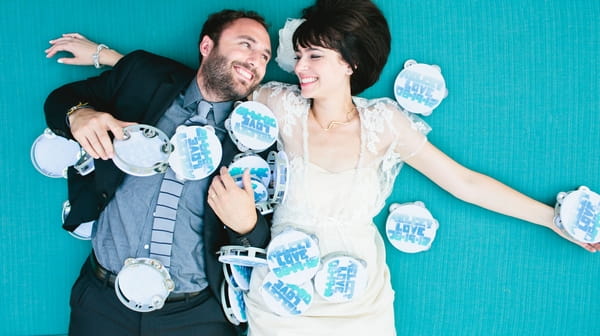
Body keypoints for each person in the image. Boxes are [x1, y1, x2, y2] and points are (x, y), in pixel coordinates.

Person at [45, 1, 599, 335]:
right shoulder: (272, 105)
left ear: (351, 65)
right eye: (298, 55)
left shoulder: (388, 125)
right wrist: (106, 57)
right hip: (279, 296)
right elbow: (207, 74)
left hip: (358, 297)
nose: (297, 67)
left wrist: (553, 219)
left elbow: (465, 183)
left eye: (315, 57)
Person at [44, 9, 272, 336]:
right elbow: (61, 100)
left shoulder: (256, 143)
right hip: (103, 302)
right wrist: (78, 115)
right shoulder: (145, 78)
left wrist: (247, 224)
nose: (255, 61)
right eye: (246, 45)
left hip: (196, 315)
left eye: (264, 56)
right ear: (207, 46)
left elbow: (265, 241)